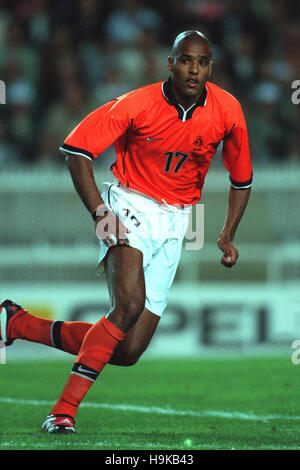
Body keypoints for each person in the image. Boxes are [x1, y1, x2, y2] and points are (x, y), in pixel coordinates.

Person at [0, 30, 252, 433]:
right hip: (130, 205)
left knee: (129, 349)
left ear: (210, 68)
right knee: (128, 305)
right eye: (186, 60)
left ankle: (18, 324)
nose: (194, 69)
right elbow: (75, 149)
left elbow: (242, 180)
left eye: (202, 62)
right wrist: (101, 212)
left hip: (177, 221)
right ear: (170, 63)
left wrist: (226, 235)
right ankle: (63, 411)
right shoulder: (137, 103)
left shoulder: (228, 110)